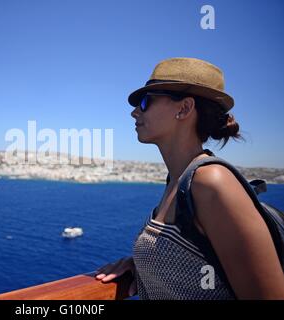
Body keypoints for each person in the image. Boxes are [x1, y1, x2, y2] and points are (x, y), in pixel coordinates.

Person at [95, 57, 284, 299]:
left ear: (184, 108)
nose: (134, 112)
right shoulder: (178, 180)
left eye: (145, 102)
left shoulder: (211, 181)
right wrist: (140, 265)